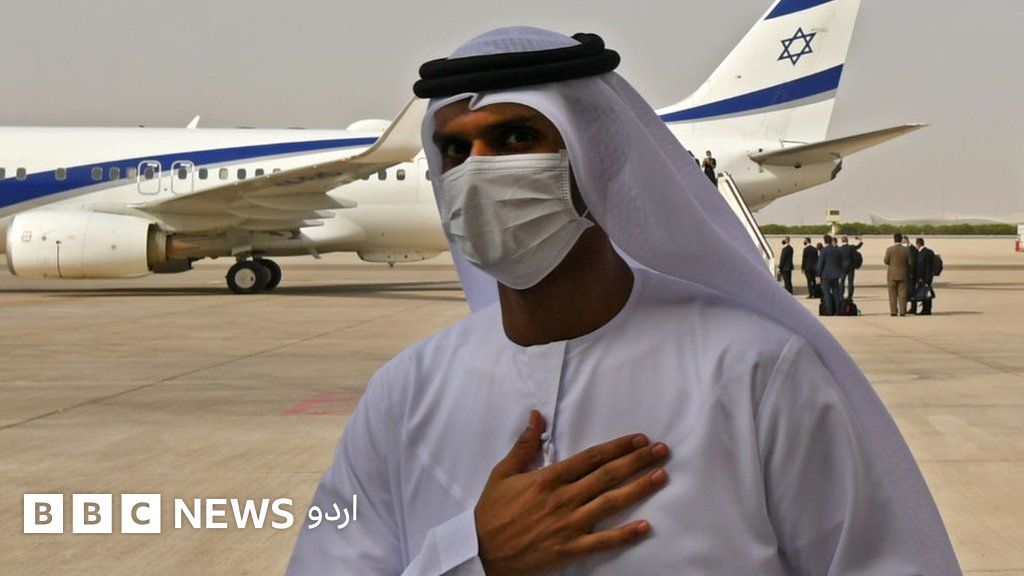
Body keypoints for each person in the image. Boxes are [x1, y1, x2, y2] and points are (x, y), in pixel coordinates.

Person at [287, 27, 959, 576]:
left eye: (516, 138)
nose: (478, 171)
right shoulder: (404, 393)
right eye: (455, 150)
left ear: (593, 158)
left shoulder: (754, 371)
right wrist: (474, 557)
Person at [885, 233, 912, 317]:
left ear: (894, 239)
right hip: (903, 274)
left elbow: (886, 261)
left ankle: (893, 311)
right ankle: (903, 311)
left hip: (892, 274)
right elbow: (910, 262)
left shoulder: (889, 249)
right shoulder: (906, 250)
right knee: (903, 294)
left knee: (892, 294)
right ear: (901, 239)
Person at [816, 234, 844, 315]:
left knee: (827, 294)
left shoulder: (823, 251)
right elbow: (841, 262)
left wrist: (818, 274)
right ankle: (838, 311)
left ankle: (829, 311)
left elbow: (820, 264)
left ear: (824, 241)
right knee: (836, 294)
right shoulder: (837, 250)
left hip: (826, 275)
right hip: (835, 275)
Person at [914, 237, 935, 315]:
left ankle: (925, 310)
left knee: (924, 292)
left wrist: (919, 277)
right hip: (930, 275)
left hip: (924, 276)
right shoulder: (930, 252)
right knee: (928, 292)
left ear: (918, 244)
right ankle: (928, 309)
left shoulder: (921, 253)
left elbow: (920, 266)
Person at [838, 235, 863, 300]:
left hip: (842, 268)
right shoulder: (851, 247)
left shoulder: (839, 249)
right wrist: (860, 240)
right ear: (847, 240)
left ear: (841, 241)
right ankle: (850, 296)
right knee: (850, 282)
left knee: (842, 282)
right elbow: (858, 246)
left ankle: (841, 295)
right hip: (850, 267)